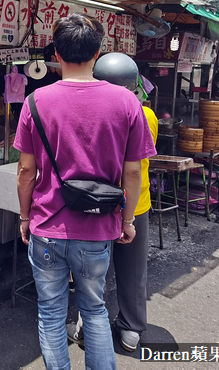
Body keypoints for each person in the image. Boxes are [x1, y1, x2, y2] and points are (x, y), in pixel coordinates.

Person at [14, 15, 156, 370]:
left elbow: (26, 170)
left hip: (47, 228)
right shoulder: (127, 104)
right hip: (97, 231)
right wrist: (127, 221)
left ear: (56, 54)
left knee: (50, 313)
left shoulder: (35, 102)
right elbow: (134, 171)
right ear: (97, 53)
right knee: (94, 309)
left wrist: (24, 217)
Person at [72, 53, 159, 353]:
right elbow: (134, 168)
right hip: (135, 206)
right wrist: (129, 219)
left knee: (93, 269)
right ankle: (131, 329)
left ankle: (87, 322)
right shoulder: (146, 116)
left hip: (97, 203)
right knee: (133, 270)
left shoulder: (87, 110)